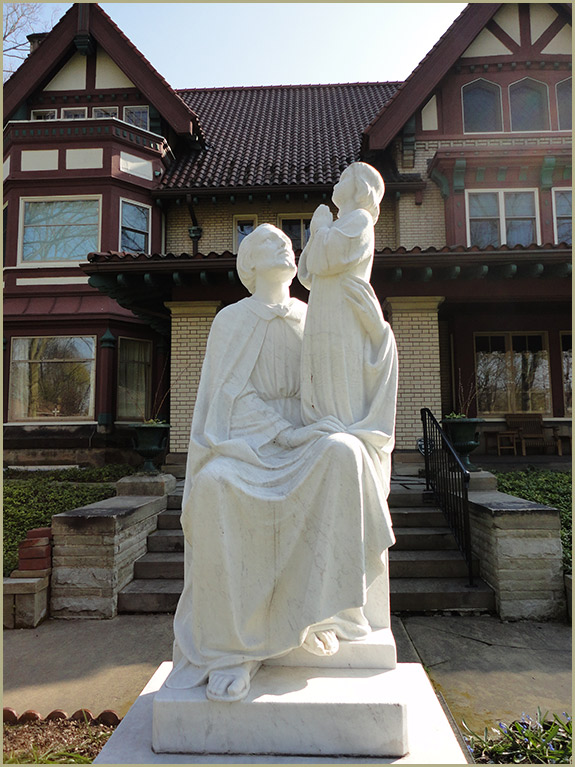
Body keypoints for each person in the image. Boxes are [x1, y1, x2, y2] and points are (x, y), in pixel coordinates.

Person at [166, 223, 395, 703]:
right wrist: (283, 433)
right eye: (270, 242)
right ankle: (233, 649)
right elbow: (229, 398)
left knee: (344, 452)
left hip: (308, 436)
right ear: (248, 265)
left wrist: (377, 333)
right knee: (214, 486)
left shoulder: (315, 315)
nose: (285, 246)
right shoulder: (231, 320)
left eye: (288, 242)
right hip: (251, 444)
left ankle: (313, 612)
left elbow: (355, 371)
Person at [298, 161, 397, 462]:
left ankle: (340, 447)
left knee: (338, 384)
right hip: (323, 317)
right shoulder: (340, 225)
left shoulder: (360, 221)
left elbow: (324, 260)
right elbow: (305, 275)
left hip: (343, 320)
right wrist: (320, 232)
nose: (335, 184)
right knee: (321, 378)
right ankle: (325, 445)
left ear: (360, 189)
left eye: (343, 179)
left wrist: (319, 229)